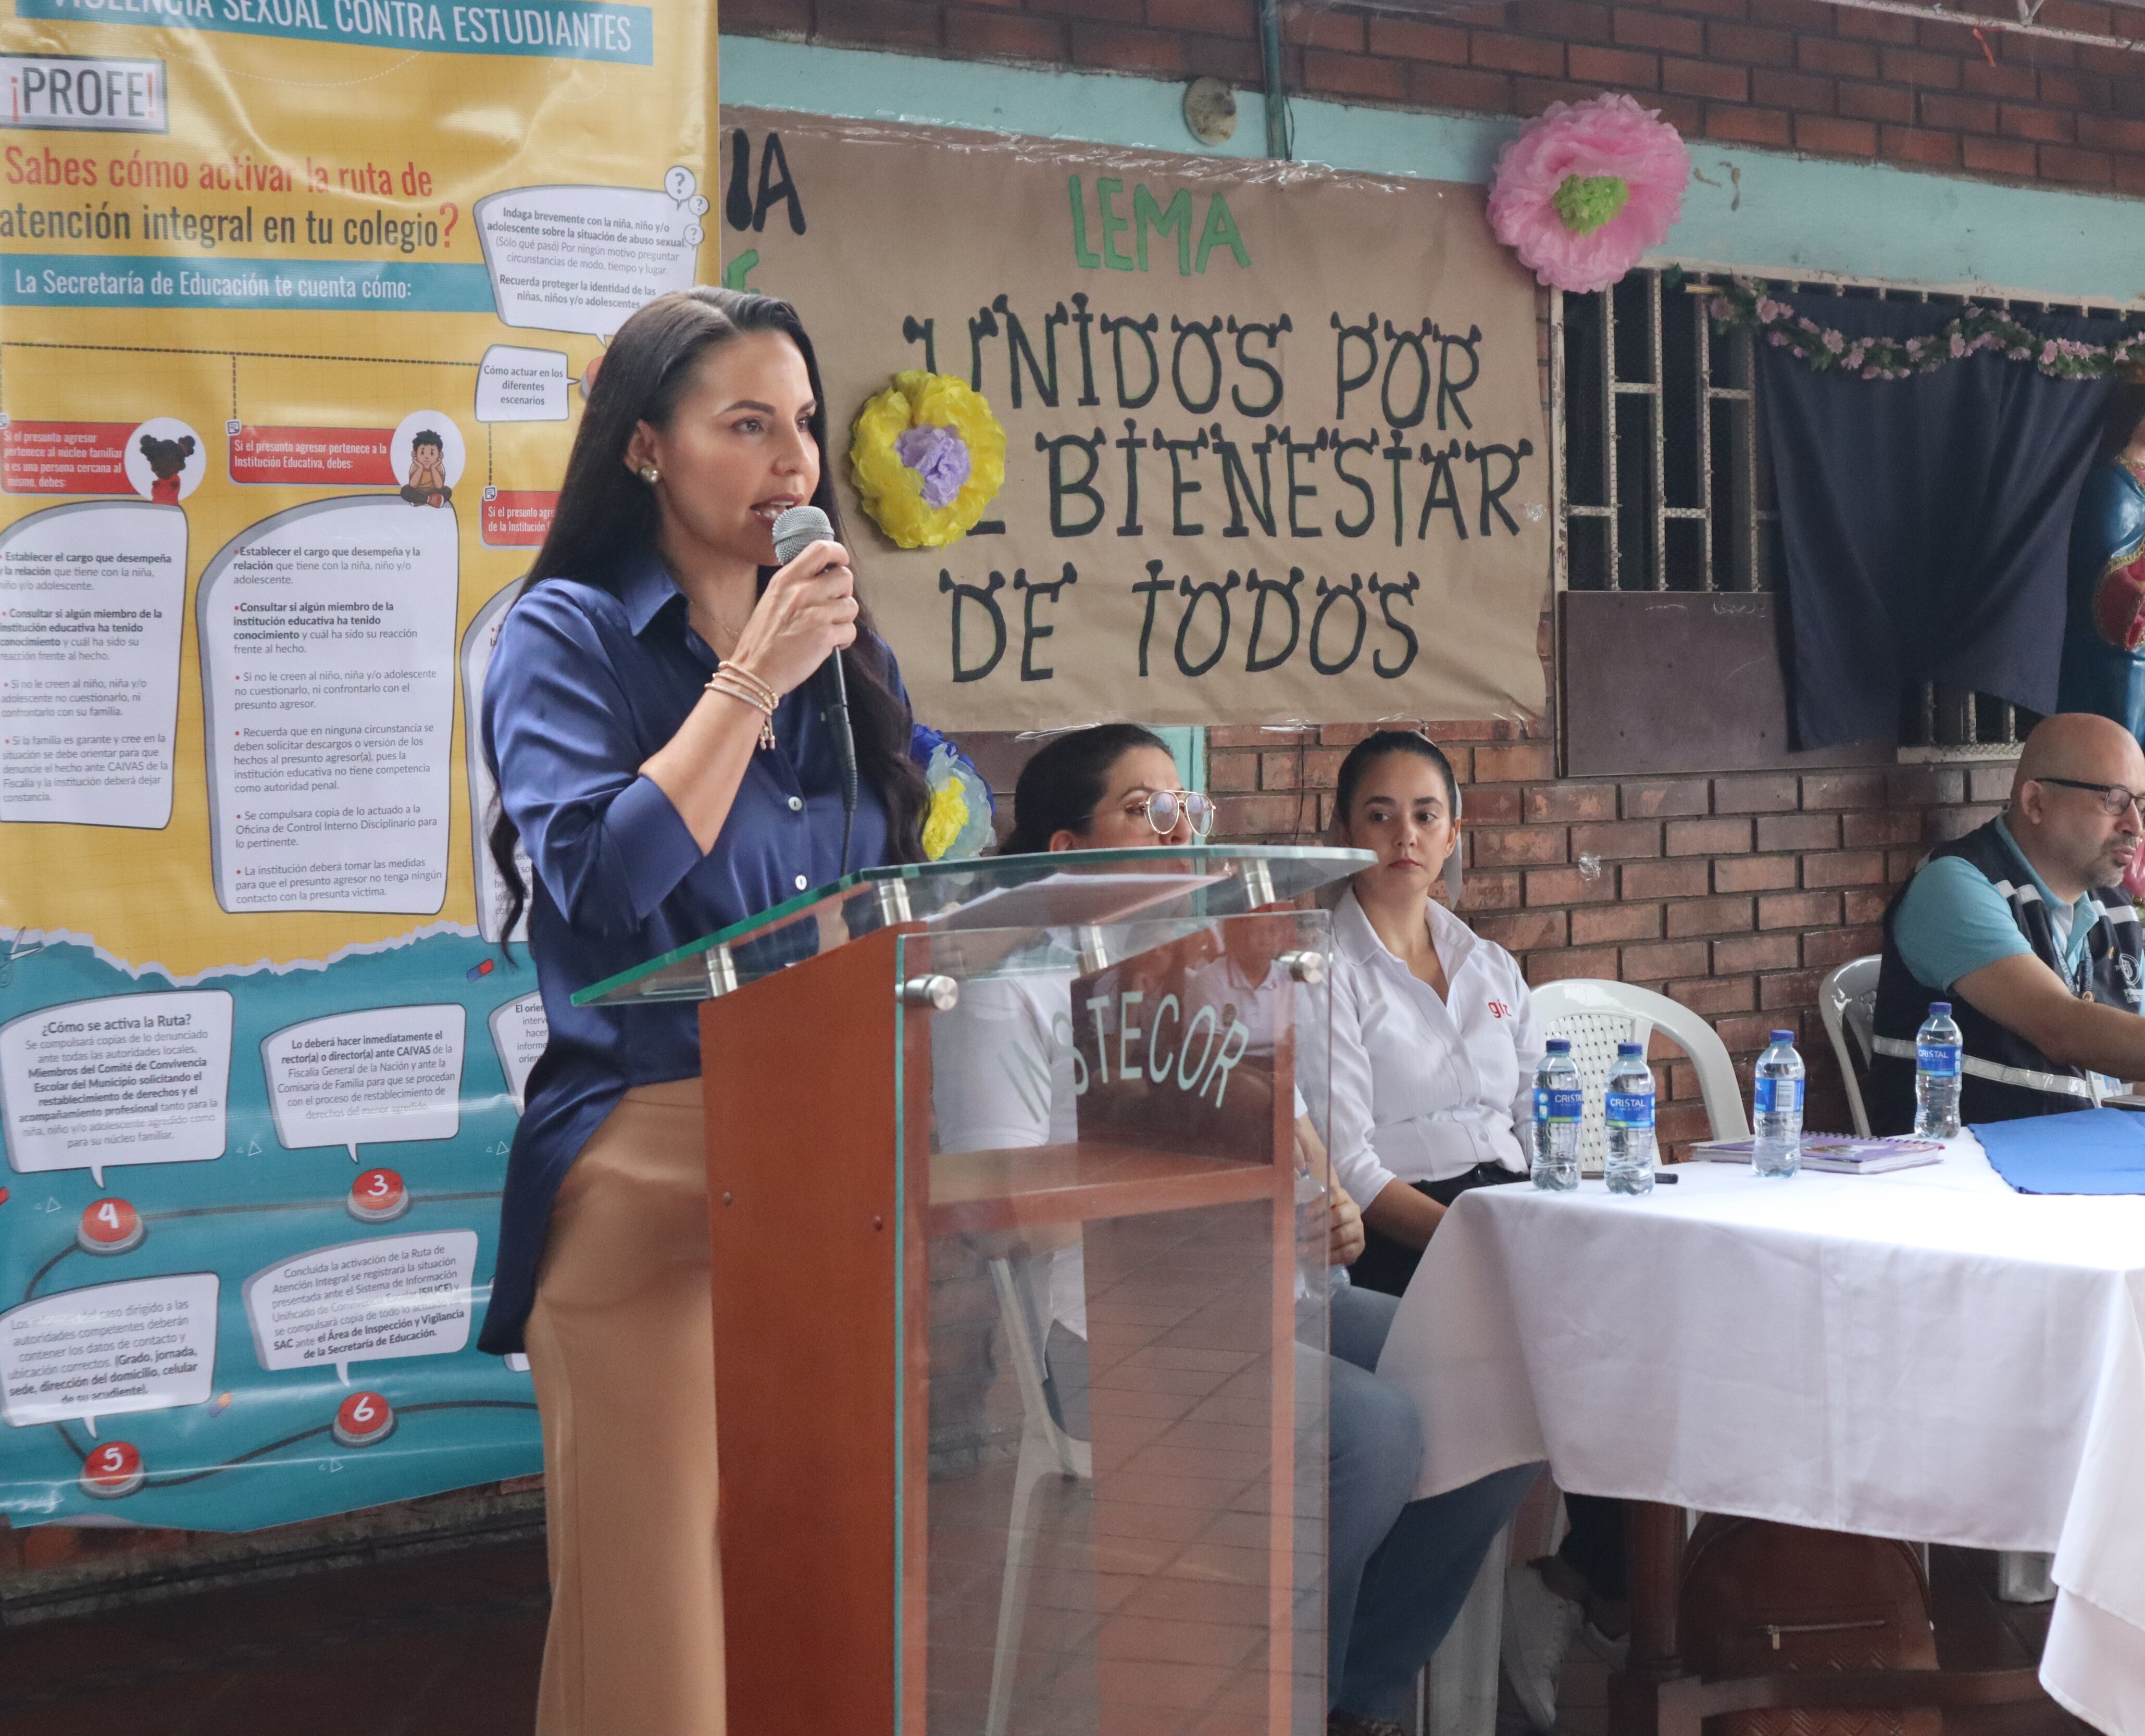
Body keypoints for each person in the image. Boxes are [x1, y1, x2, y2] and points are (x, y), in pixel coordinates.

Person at [477, 286, 926, 1736]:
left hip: (831, 1168)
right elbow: (605, 889)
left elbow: (895, 898)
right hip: (648, 1158)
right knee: (657, 1649)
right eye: (746, 425)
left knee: (825, 1610)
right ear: (646, 450)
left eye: (802, 424)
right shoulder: (568, 634)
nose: (792, 462)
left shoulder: (851, 661)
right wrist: (749, 678)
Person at [994, 724, 1535, 1736]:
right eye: (1145, 809)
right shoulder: (1007, 990)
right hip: (1117, 1327)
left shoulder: (1194, 964)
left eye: (1182, 808)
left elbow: (1280, 1105)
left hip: (1268, 1289)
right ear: (1068, 851)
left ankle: (1355, 1689)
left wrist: (1325, 1192)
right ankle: (1287, 1701)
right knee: (1373, 1433)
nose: (1178, 828)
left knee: (1506, 1388)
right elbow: (1002, 1219)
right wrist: (1164, 1197)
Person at [1307, 732, 1601, 1731]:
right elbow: (1348, 1165)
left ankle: (1601, 1583)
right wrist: (1480, 1241)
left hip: (1505, 1208)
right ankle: (1373, 1681)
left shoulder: (1489, 963)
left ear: (1454, 831)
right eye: (1379, 813)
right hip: (1401, 1229)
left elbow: (1530, 1126)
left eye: (1425, 813)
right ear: (1343, 827)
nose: (1404, 834)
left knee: (1622, 1337)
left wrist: (1543, 1220)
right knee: (1520, 1372)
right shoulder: (1321, 968)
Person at [1868, 713, 2145, 1128]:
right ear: (2036, 802)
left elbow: (2138, 1082)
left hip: (2084, 1164)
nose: (2136, 825)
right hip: (1970, 1178)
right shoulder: (1952, 886)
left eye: (2142, 806)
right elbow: (2061, 1026)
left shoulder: (2111, 905)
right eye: (2114, 801)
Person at [2059, 363, 2145, 897]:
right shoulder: (2109, 481)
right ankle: (2102, 875)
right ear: (2134, 410)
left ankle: (2138, 874)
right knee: (2119, 756)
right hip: (2117, 646)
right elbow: (2100, 561)